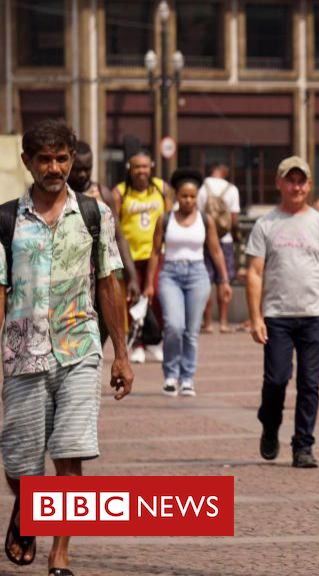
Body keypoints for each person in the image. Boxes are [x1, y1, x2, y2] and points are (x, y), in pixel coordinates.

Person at [1, 119, 134, 575]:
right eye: (44, 159)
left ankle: (60, 554)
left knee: (70, 452)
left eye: (61, 158)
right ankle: (27, 507)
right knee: (19, 461)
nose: (54, 167)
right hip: (22, 357)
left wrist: (121, 353)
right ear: (27, 163)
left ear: (72, 159)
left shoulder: (95, 214)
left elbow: (108, 283)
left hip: (80, 351)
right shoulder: (5, 221)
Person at [246, 156, 319, 468]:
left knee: (309, 384)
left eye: (302, 181)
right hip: (277, 315)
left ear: (309, 185)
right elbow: (254, 273)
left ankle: (303, 446)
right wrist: (255, 317)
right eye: (290, 180)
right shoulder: (266, 224)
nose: (296, 186)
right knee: (276, 380)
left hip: (315, 314)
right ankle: (270, 424)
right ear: (279, 183)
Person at [144, 168, 232, 397]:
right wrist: (149, 284)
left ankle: (187, 378)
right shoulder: (165, 219)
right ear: (176, 196)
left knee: (191, 331)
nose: (188, 200)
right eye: (184, 196)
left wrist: (224, 280)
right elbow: (154, 252)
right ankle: (171, 375)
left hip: (197, 275)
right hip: (170, 274)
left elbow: (215, 251)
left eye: (193, 196)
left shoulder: (206, 220)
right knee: (174, 326)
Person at [67, 141, 142, 335]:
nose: (82, 174)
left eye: (87, 169)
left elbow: (118, 236)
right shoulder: (59, 196)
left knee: (101, 331)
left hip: (101, 275)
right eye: (77, 169)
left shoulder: (102, 194)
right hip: (69, 277)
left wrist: (132, 276)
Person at [115, 149, 171, 364]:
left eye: (145, 166)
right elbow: (116, 222)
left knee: (156, 296)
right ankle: (137, 343)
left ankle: (154, 341)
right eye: (137, 166)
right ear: (130, 168)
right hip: (131, 255)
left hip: (156, 253)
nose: (141, 171)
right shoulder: (121, 192)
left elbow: (170, 217)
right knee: (134, 299)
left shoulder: (161, 188)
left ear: (151, 168)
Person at [197, 162, 240, 333]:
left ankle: (207, 323)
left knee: (206, 280)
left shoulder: (202, 187)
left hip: (205, 238)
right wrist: (235, 235)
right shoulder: (232, 189)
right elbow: (234, 218)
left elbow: (198, 214)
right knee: (223, 279)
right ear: (224, 170)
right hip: (225, 239)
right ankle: (223, 322)